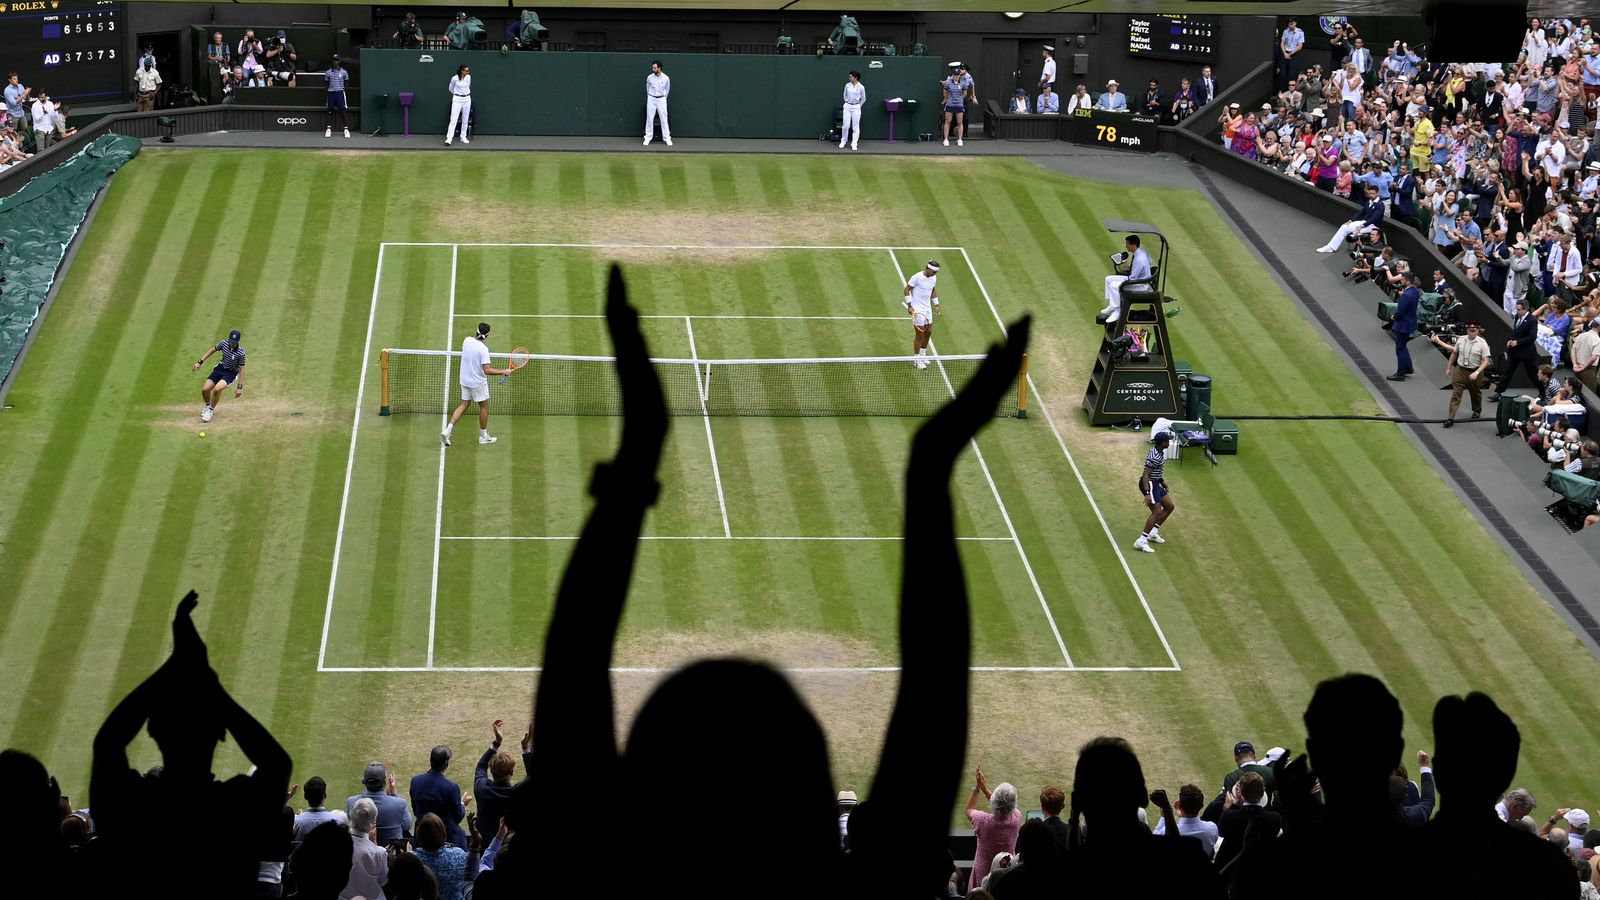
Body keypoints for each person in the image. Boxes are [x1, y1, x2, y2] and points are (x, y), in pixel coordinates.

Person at [443, 322, 513, 446]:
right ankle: (483, 436)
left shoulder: (466, 340)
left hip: (464, 379)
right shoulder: (483, 349)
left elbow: (466, 352)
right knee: (484, 406)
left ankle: (447, 431)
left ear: (476, 331)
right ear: (487, 336)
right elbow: (487, 370)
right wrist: (504, 371)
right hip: (477, 382)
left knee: (464, 404)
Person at [965, 766, 1023, 895]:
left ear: (995, 802)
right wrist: (986, 789)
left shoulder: (983, 820)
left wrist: (978, 788)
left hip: (982, 875)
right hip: (1007, 873)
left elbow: (969, 810)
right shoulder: (1017, 817)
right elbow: (1004, 805)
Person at [410, 746, 471, 850]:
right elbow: (457, 817)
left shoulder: (415, 781)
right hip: (447, 838)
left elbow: (416, 811)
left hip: (421, 836)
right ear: (446, 764)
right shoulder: (451, 788)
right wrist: (462, 804)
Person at [1434, 321, 1492, 427]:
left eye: (1473, 331)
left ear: (1478, 331)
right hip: (1460, 370)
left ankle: (1477, 409)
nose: (1471, 333)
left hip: (1475, 371)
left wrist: (1477, 372)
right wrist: (1449, 367)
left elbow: (1485, 361)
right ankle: (1451, 418)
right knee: (1456, 393)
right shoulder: (1461, 340)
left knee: (1475, 392)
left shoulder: (1482, 343)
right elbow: (1454, 353)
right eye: (1469, 330)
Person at [1489, 299, 1542, 400]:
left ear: (1525, 309)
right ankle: (1499, 393)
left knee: (1533, 374)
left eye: (1519, 309)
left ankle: (1543, 393)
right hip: (1515, 352)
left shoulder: (1532, 320)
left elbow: (1532, 337)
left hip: (1527, 353)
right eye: (1516, 309)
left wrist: (1518, 342)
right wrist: (1511, 340)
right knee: (1507, 372)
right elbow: (1516, 332)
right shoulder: (1518, 317)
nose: (1516, 311)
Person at [190, 329, 246, 424]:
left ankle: (210, 411)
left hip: (231, 373)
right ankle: (208, 405)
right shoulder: (224, 343)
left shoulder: (241, 353)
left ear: (238, 342)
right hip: (220, 368)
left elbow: (242, 370)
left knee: (217, 389)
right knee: (205, 390)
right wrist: (199, 362)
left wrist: (239, 387)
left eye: (234, 342)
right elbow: (212, 350)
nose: (232, 344)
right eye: (231, 341)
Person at [1134, 431, 1175, 553]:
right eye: (1168, 440)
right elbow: (1146, 475)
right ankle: (1141, 541)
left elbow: (1155, 471)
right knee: (1156, 511)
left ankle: (1153, 532)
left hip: (1156, 483)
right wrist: (1147, 493)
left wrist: (1162, 481)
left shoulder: (1159, 452)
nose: (1169, 442)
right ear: (1163, 443)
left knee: (1169, 506)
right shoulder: (1155, 456)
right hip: (1149, 484)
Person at [1100, 234, 1152, 324]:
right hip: (1138, 280)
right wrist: (1132, 268)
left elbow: (1133, 278)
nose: (1126, 246)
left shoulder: (1139, 259)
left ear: (1133, 245)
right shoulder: (1142, 251)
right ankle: (1112, 306)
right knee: (1108, 279)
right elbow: (1149, 262)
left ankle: (1117, 312)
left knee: (1114, 285)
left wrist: (1130, 271)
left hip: (1140, 285)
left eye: (1127, 244)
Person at [1317, 185, 1385, 251]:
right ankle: (1331, 247)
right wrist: (1350, 221)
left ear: (1377, 193)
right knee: (1344, 227)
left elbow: (1374, 219)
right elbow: (1360, 214)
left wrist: (1361, 226)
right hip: (1364, 223)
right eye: (1370, 193)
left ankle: (1358, 250)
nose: (1371, 195)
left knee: (1356, 231)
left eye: (1373, 193)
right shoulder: (1368, 202)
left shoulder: (1380, 205)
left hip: (1374, 226)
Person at [902, 260, 941, 369]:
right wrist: (909, 305)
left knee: (928, 332)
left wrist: (936, 305)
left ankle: (922, 355)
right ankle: (916, 360)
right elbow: (906, 290)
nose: (933, 274)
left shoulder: (933, 278)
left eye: (935, 272)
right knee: (919, 335)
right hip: (918, 310)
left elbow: (933, 290)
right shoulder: (917, 277)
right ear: (927, 268)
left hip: (927, 308)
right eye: (932, 271)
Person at [1386, 272, 1420, 381]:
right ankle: (1408, 367)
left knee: (1400, 348)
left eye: (1403, 279)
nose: (1401, 281)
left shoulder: (1406, 295)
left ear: (1408, 281)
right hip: (1410, 323)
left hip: (1403, 325)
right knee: (1403, 345)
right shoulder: (1415, 291)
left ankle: (1400, 373)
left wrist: (1394, 317)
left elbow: (1400, 311)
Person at [323, 54, 352, 139]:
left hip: (340, 93)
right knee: (330, 111)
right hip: (331, 93)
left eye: (336, 60)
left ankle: (346, 130)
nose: (334, 62)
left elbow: (346, 84)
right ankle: (328, 130)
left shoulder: (344, 72)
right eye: (333, 60)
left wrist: (342, 91)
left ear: (339, 61)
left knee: (343, 111)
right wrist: (329, 91)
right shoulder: (328, 72)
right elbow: (326, 83)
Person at [644, 60, 671, 146]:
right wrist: (651, 97)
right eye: (653, 68)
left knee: (664, 119)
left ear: (659, 68)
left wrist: (662, 98)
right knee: (649, 118)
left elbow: (667, 89)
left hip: (661, 100)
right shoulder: (649, 77)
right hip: (651, 99)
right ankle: (647, 137)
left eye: (655, 68)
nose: (653, 69)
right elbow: (647, 88)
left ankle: (667, 138)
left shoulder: (666, 78)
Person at [941, 62, 968, 147]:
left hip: (959, 105)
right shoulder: (948, 83)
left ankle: (960, 139)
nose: (956, 76)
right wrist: (946, 98)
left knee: (959, 122)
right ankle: (945, 139)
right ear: (952, 75)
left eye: (957, 75)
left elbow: (965, 93)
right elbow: (944, 91)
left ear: (959, 75)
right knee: (947, 121)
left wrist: (960, 99)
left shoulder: (963, 83)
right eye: (955, 75)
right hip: (950, 105)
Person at [445, 64, 472, 146]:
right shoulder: (454, 78)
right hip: (457, 100)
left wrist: (464, 95)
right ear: (462, 71)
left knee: (465, 119)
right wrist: (457, 94)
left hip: (467, 99)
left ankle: (463, 136)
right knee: (453, 119)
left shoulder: (468, 77)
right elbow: (450, 88)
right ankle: (449, 138)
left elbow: (468, 86)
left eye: (468, 70)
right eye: (466, 70)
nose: (468, 72)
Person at [1572, 318, 1600, 392]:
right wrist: (1583, 368)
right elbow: (1593, 357)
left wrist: (1575, 365)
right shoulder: (1597, 340)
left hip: (1577, 368)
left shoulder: (1582, 335)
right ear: (1599, 327)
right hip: (1588, 370)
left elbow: (1573, 350)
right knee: (1590, 396)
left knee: (1576, 392)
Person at [840, 71, 865, 150]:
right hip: (847, 106)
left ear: (856, 78)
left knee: (855, 126)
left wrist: (858, 106)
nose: (849, 78)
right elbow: (844, 95)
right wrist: (847, 102)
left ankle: (854, 144)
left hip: (856, 107)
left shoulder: (861, 87)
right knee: (845, 126)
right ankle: (843, 141)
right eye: (849, 77)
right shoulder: (847, 85)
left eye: (851, 77)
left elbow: (863, 99)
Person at [1281, 18, 1307, 90]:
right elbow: (1282, 43)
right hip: (1285, 53)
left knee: (1292, 74)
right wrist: (1285, 53)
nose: (1290, 25)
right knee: (1283, 74)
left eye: (1292, 24)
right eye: (1289, 24)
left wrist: (1290, 54)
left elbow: (1300, 46)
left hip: (1294, 54)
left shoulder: (1300, 32)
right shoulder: (1286, 31)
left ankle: (1291, 91)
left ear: (1295, 23)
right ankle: (1283, 91)